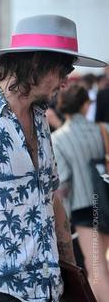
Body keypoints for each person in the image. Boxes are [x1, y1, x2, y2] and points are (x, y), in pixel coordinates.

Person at [0, 14, 107, 302]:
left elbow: (51, 199)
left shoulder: (39, 118)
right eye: (64, 69)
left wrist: (71, 274)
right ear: (37, 64)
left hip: (47, 287)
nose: (66, 82)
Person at [52, 84, 109, 302]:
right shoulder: (104, 129)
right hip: (107, 200)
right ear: (86, 105)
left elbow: (63, 183)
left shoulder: (58, 138)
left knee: (96, 267)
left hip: (85, 208)